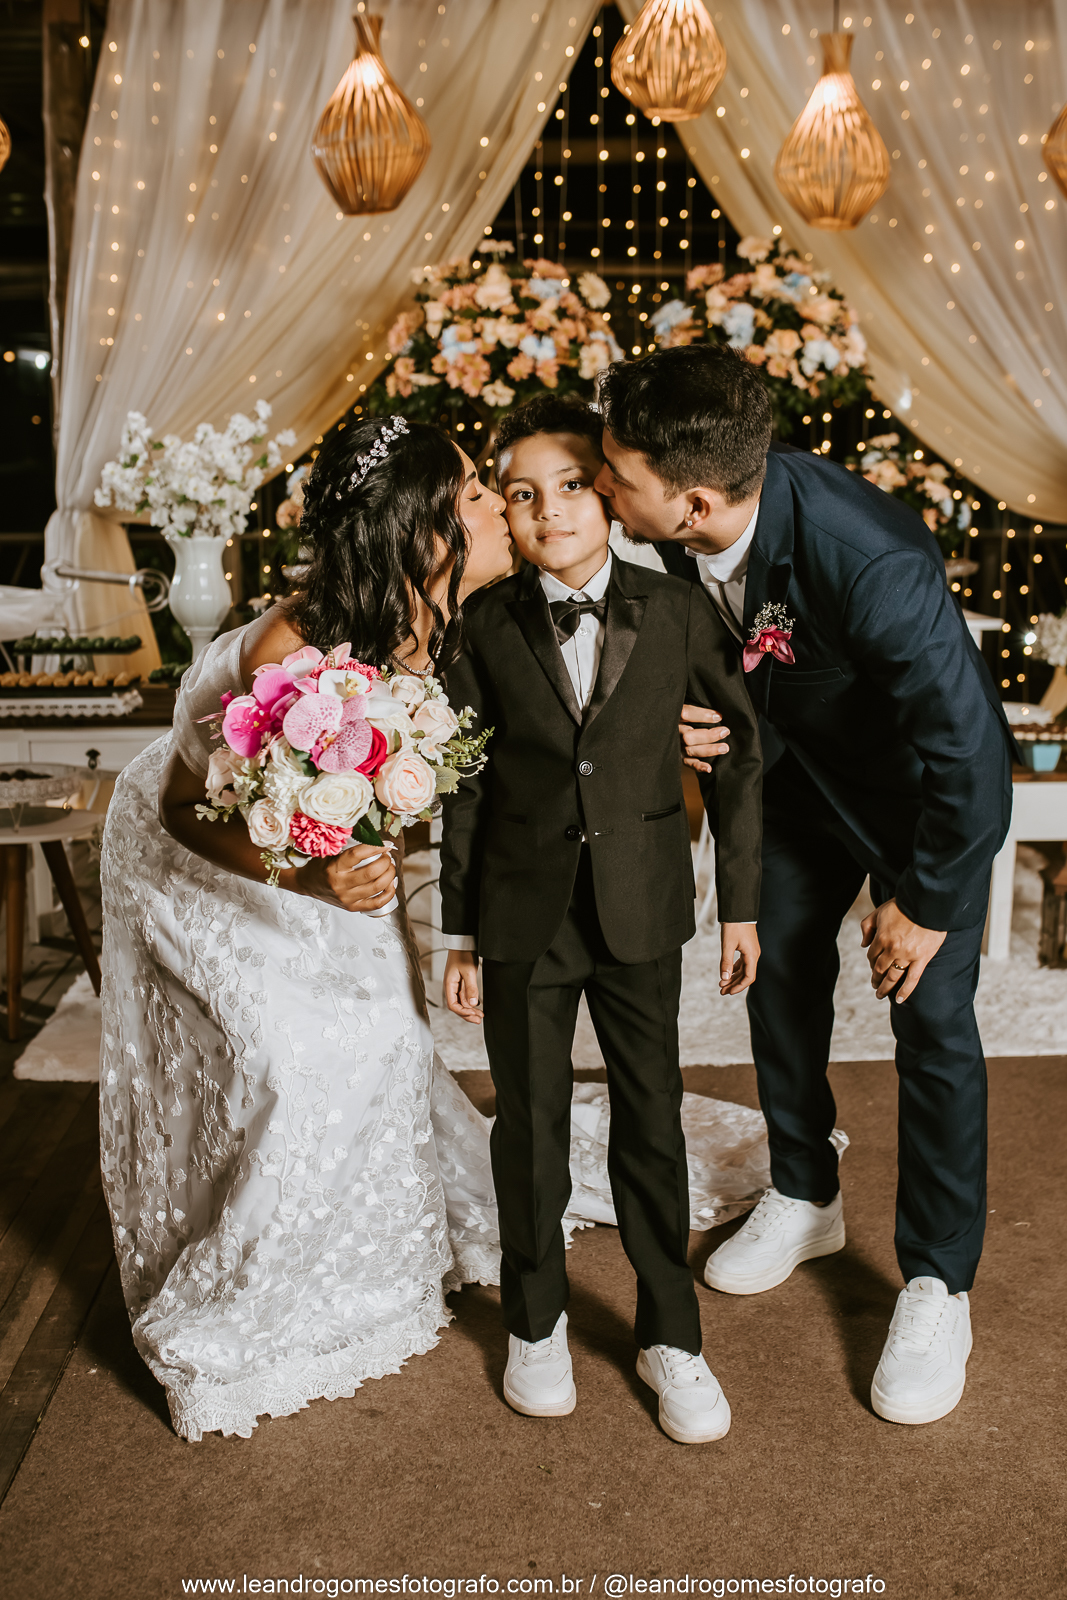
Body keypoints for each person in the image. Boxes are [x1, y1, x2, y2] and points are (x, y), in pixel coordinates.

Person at [594, 344, 1015, 1427]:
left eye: (615, 474)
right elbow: (713, 656)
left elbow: (971, 755)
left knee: (930, 1020)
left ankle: (938, 1280)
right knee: (775, 972)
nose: (600, 486)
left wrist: (923, 899)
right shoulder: (675, 523)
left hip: (922, 803)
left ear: (692, 502)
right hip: (791, 786)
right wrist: (694, 718)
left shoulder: (866, 559)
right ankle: (805, 1187)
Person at [98, 418, 515, 1440]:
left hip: (323, 853)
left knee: (390, 1037)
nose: (500, 504)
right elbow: (186, 809)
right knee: (295, 1057)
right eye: (474, 493)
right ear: (418, 531)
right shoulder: (290, 646)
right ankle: (247, 1301)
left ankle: (380, 1258)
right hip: (199, 855)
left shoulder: (443, 617)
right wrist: (315, 878)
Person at [439, 395, 763, 1445]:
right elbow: (464, 788)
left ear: (612, 496)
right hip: (519, 915)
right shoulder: (481, 625)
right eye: (522, 494)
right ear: (504, 511)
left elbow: (738, 753)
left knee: (651, 1117)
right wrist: (457, 933)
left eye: (572, 486)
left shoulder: (675, 607)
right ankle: (534, 1321)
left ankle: (671, 1333)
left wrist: (740, 907)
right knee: (526, 1126)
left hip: (640, 908)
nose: (550, 511)